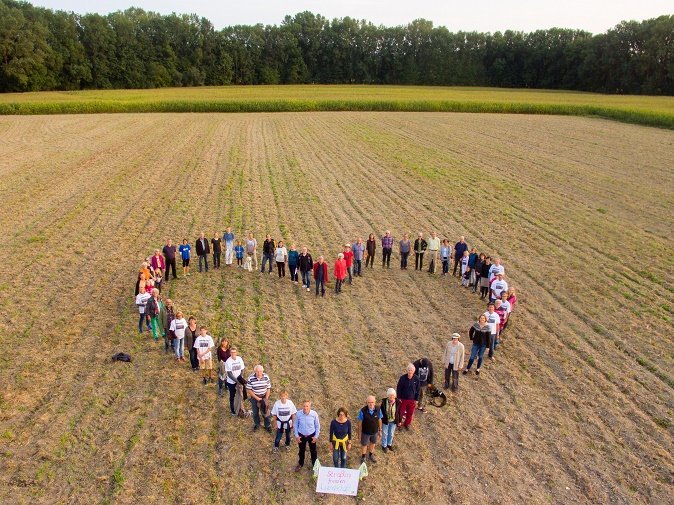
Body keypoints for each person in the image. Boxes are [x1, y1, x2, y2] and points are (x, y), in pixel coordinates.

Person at [294, 400, 320, 472]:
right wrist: (296, 436)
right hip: (301, 435)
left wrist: (316, 436)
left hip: (311, 435)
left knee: (313, 451)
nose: (305, 408)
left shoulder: (314, 414)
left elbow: (317, 426)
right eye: (304, 406)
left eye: (307, 406)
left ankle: (315, 465)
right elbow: (295, 425)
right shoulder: (298, 414)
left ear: (310, 406)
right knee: (301, 451)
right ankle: (300, 463)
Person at [247, 365, 272, 432]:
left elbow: (268, 388)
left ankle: (267, 425)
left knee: (265, 412)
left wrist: (266, 398)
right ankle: (257, 424)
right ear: (255, 371)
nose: (259, 373)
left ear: (262, 371)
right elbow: (249, 390)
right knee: (255, 412)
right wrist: (257, 398)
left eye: (260, 371)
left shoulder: (266, 376)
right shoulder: (250, 378)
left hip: (264, 397)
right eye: (257, 371)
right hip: (255, 397)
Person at [357, 395, 382, 464]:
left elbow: (379, 420)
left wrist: (380, 430)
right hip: (365, 432)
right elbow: (359, 423)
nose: (371, 404)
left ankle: (371, 455)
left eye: (372, 402)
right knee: (364, 444)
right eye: (369, 402)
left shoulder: (378, 409)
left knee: (373, 443)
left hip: (375, 432)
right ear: (367, 403)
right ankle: (363, 456)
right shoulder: (363, 411)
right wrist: (359, 434)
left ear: (375, 402)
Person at [396, 364, 420, 430]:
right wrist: (399, 398)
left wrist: (417, 399)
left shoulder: (416, 379)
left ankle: (407, 424)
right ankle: (399, 424)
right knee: (401, 412)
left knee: (410, 413)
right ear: (407, 370)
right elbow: (399, 388)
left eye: (411, 370)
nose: (410, 371)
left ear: (414, 371)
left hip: (412, 400)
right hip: (403, 399)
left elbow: (418, 390)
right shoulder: (402, 378)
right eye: (409, 370)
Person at [380, 388, 402, 453]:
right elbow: (381, 412)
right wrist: (380, 420)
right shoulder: (384, 402)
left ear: (395, 396)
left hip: (393, 421)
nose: (391, 397)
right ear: (387, 396)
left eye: (392, 395)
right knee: (385, 433)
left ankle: (389, 444)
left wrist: (400, 421)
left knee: (391, 433)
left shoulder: (398, 402)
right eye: (390, 395)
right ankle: (384, 445)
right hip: (385, 420)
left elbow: (399, 412)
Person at [224, 347, 245, 415]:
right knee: (232, 396)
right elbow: (229, 374)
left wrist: (240, 378)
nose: (233, 353)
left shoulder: (239, 359)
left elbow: (242, 369)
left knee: (240, 395)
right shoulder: (228, 361)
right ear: (230, 353)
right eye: (232, 352)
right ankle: (233, 410)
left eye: (234, 352)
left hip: (239, 380)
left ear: (236, 352)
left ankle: (240, 408)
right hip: (231, 382)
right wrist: (237, 381)